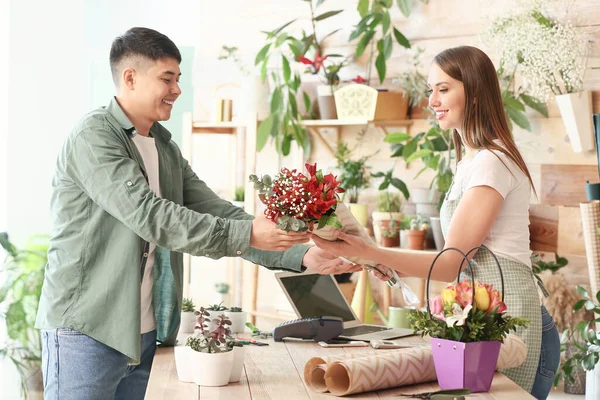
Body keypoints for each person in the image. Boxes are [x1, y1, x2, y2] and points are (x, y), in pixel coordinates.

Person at [35, 27, 360, 400]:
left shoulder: (163, 147)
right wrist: (251, 235)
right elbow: (152, 216)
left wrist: (302, 255)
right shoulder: (93, 137)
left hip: (142, 329)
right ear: (130, 78)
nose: (176, 90)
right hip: (86, 329)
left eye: (178, 79)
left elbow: (215, 209)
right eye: (166, 78)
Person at [312, 46, 560, 399]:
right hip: (486, 319)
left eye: (443, 89)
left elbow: (451, 263)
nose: (432, 100)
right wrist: (376, 257)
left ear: (474, 93)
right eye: (431, 89)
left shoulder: (492, 162)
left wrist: (373, 250)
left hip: (515, 324)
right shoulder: (470, 162)